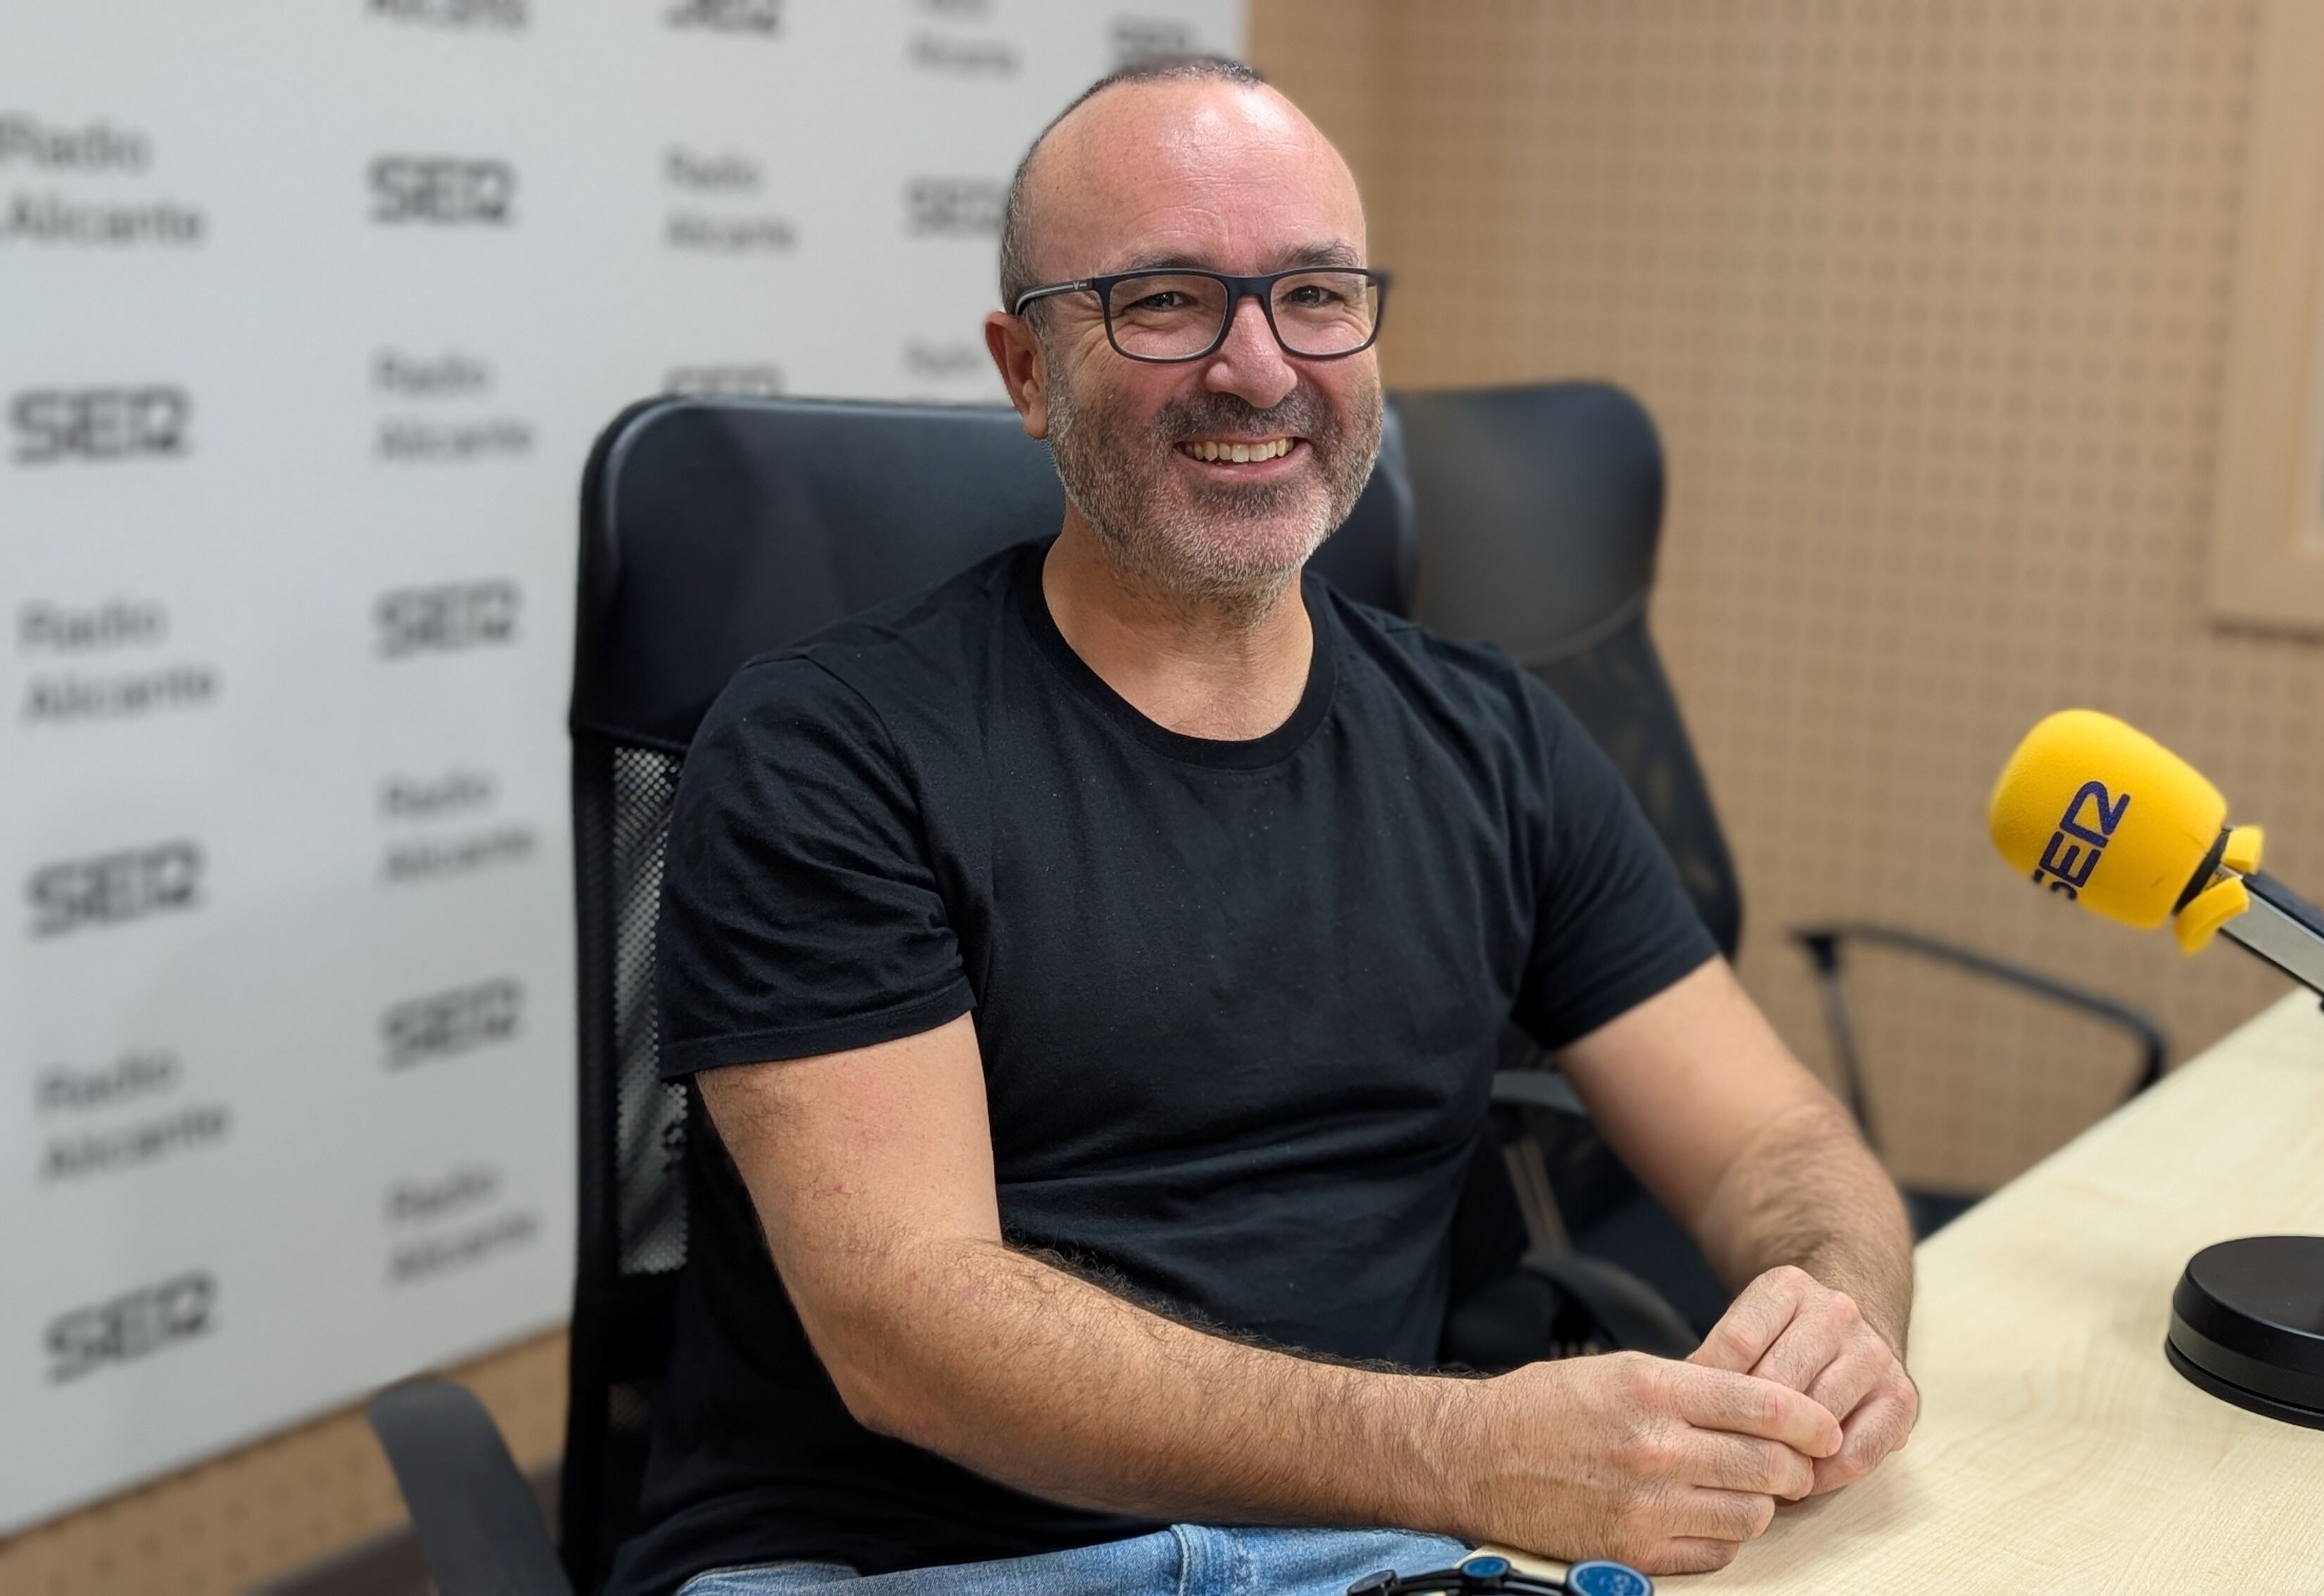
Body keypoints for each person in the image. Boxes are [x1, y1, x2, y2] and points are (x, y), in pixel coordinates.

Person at [609, 55, 1918, 1596]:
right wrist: (1469, 1453)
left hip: (1381, 1556)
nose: (1256, 368)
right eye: (1165, 300)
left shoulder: (1494, 740)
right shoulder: (829, 750)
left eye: (1314, 295)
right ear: (1027, 372)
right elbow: (912, 1334)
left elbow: (1774, 1137)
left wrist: (1838, 1309)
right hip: (911, 1567)